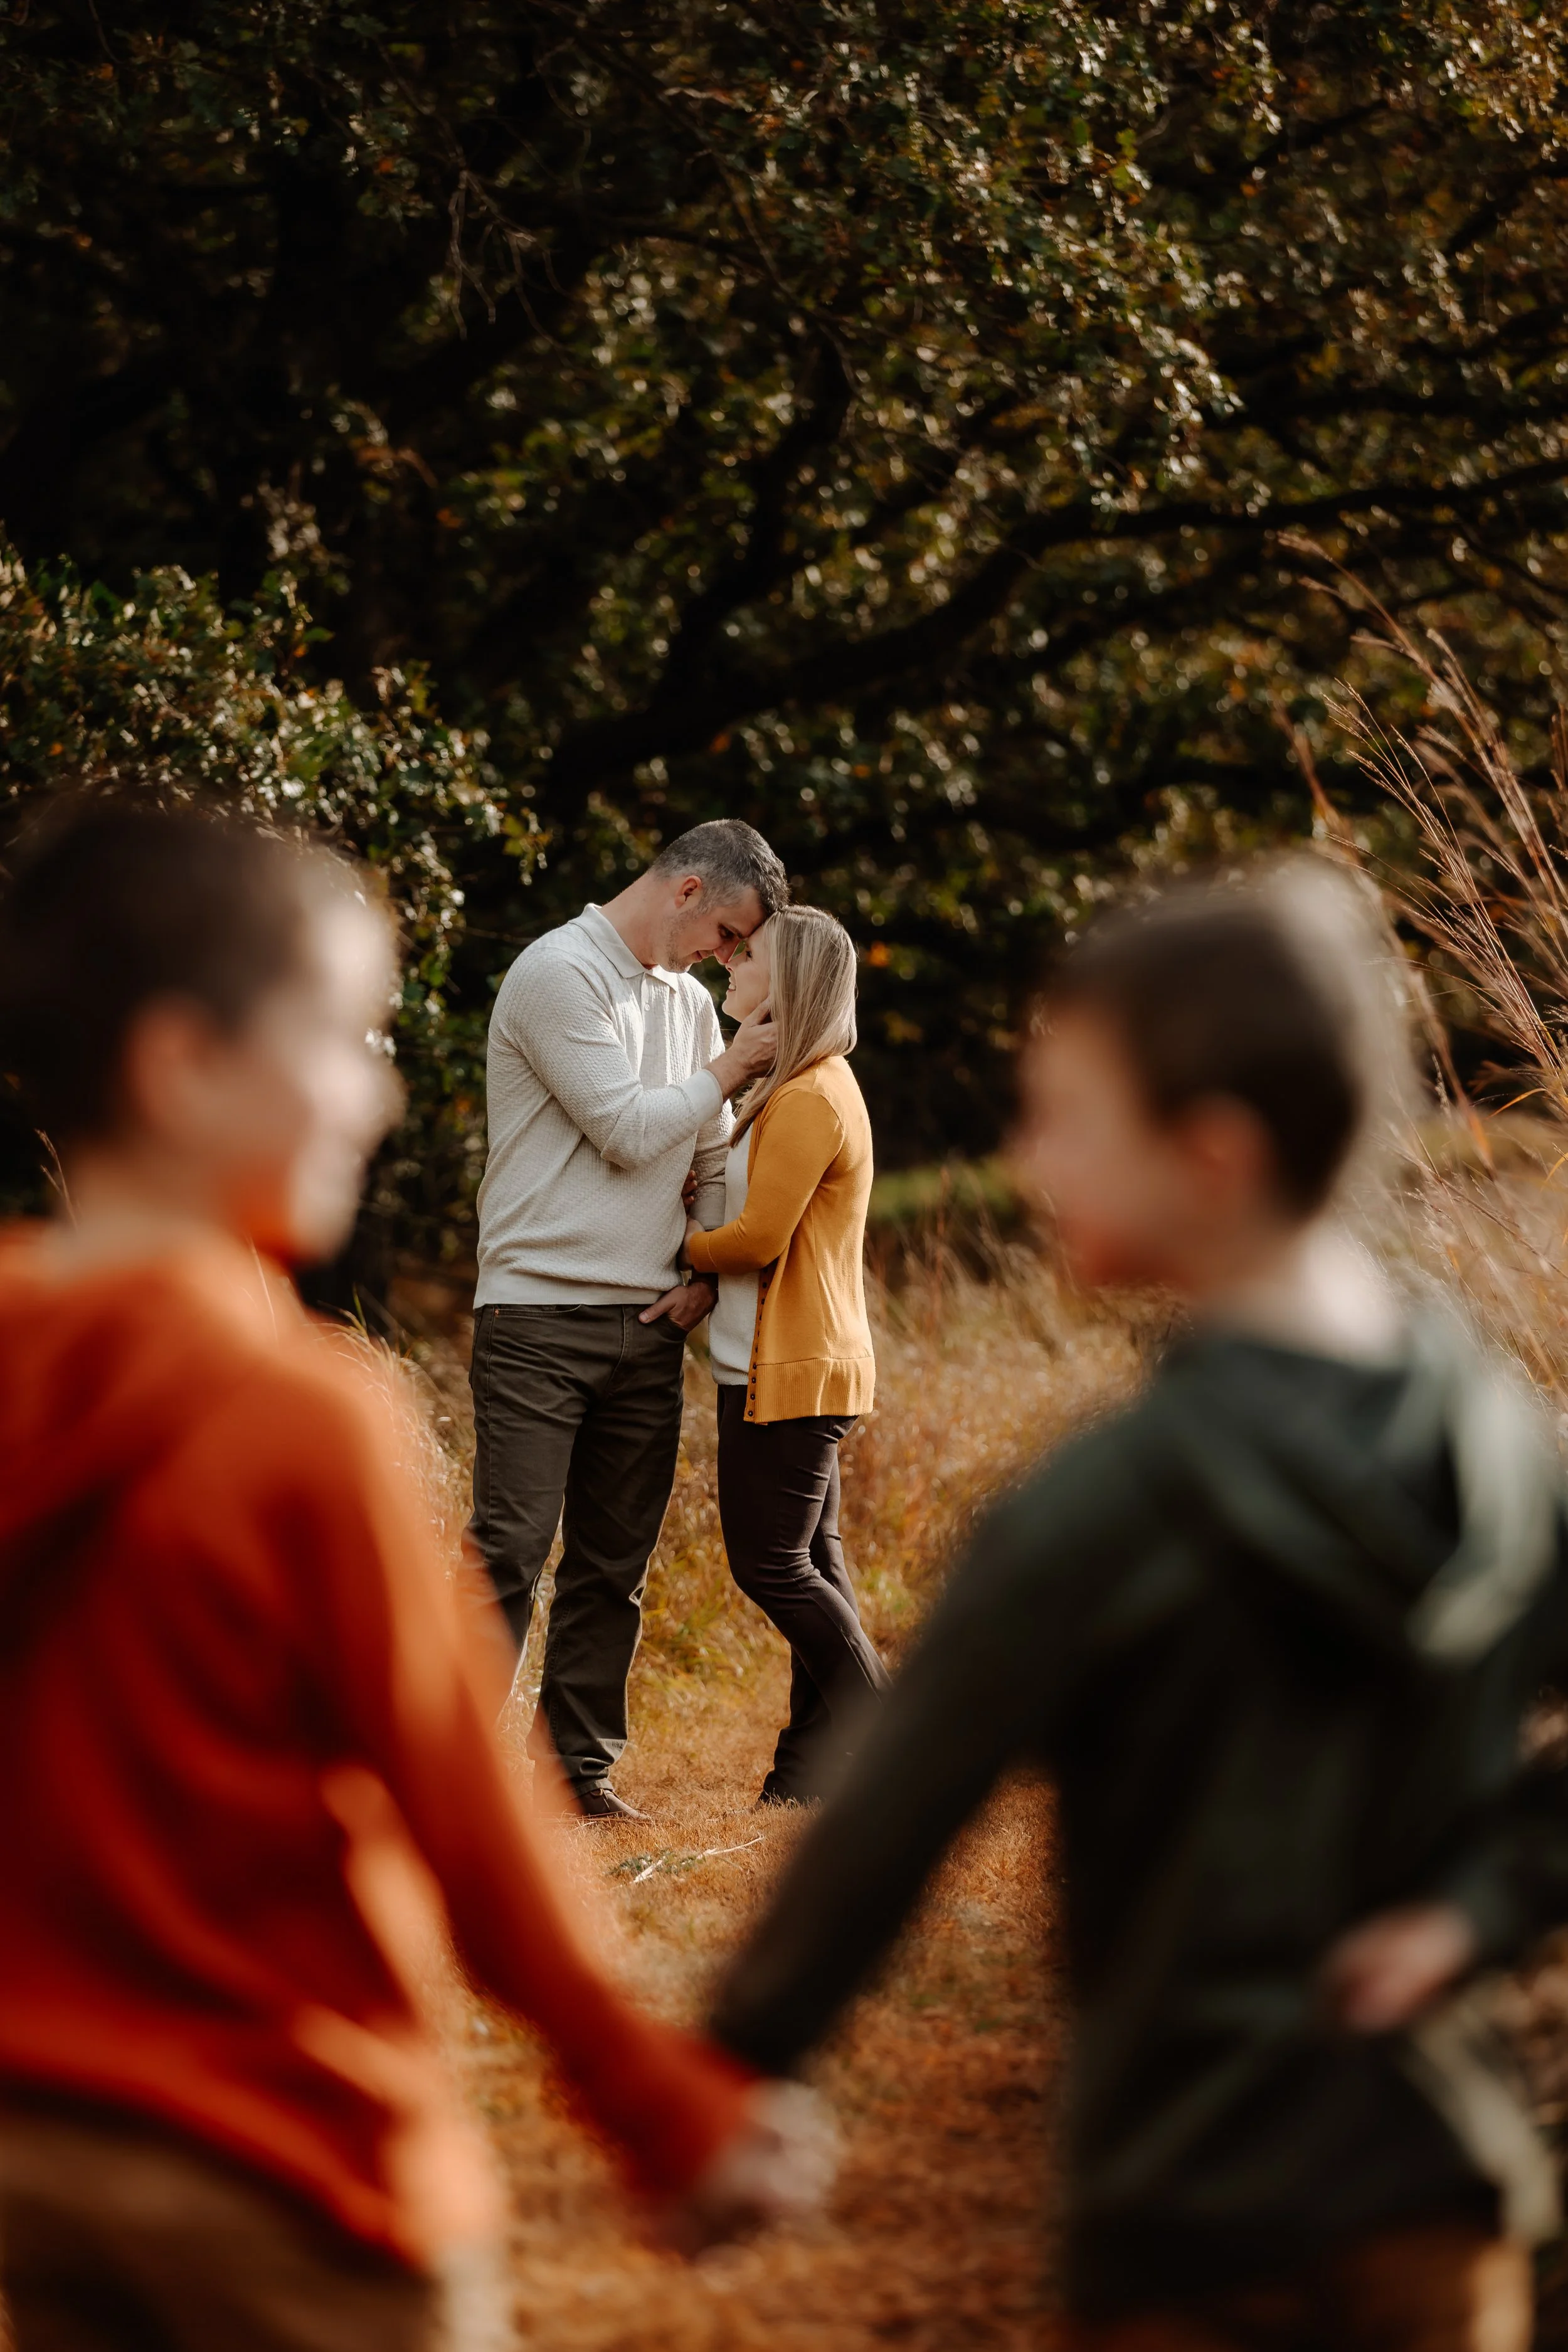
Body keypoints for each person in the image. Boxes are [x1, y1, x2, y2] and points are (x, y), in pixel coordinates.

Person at [707, 860, 1568, 2352]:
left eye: (1066, 1120)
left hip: (1185, 2210)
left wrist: (727, 2069)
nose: (1029, 1159)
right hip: (1441, 2196)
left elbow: (887, 1816)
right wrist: (1476, 1912)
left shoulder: (1101, 1503)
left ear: (1212, 1154)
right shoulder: (1506, 1445)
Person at [0, 802, 827, 2352]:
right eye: (341, 1041)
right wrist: (661, 2104)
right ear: (184, 1066)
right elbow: (463, 1812)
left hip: (38, 2163)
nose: (377, 1093)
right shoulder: (297, 1419)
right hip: (297, 2177)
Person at [470, 820, 786, 1821]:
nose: (728, 957)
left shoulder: (688, 1005)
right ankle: (441, 1767)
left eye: (739, 947)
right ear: (686, 888)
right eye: (729, 931)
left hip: (648, 1321)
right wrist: (732, 1066)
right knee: (511, 1547)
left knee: (614, 1561)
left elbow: (701, 1155)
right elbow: (624, 1130)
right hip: (537, 1311)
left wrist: (699, 1271)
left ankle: (575, 1771)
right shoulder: (556, 973)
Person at [683, 905, 888, 1806]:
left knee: (771, 1565)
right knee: (818, 1566)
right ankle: (800, 1779)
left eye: (750, 952)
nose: (731, 959)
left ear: (792, 979)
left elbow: (758, 1237)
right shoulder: (800, 1085)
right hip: (801, 1363)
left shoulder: (808, 1095)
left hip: (794, 1370)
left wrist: (680, 1241)